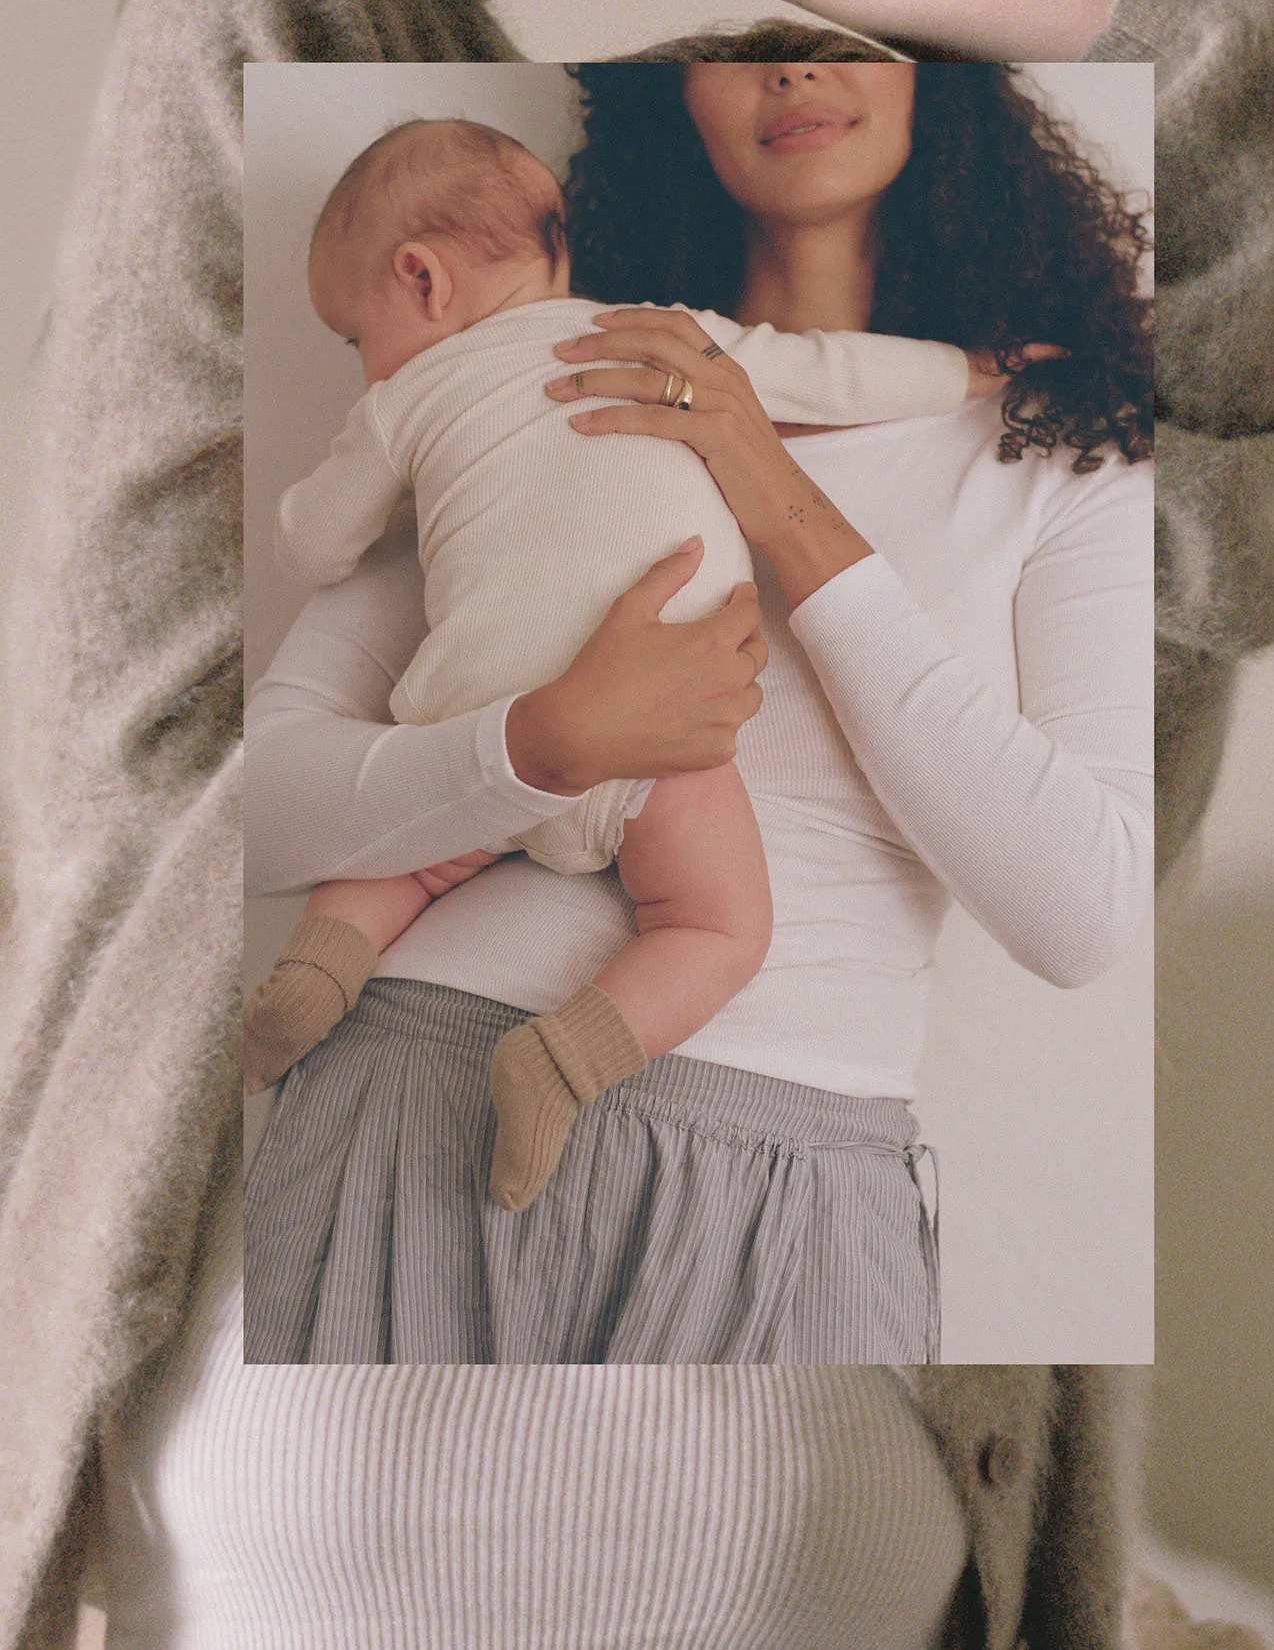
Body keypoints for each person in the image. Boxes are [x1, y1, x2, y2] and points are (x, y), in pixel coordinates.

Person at [0, 0, 1274, 1649]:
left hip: (797, 1097)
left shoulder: (1045, 569)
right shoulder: (230, 723)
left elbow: (1238, 86)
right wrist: (535, 728)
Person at [251, 113, 998, 1214]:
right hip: (667, 744)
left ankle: (313, 971)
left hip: (476, 711)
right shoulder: (656, 340)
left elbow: (315, 545)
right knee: (717, 926)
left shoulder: (401, 402)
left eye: (351, 333)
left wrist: (336, 468)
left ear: (421, 278)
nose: (361, 361)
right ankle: (560, 1062)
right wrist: (968, 373)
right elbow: (826, 374)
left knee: (408, 857)